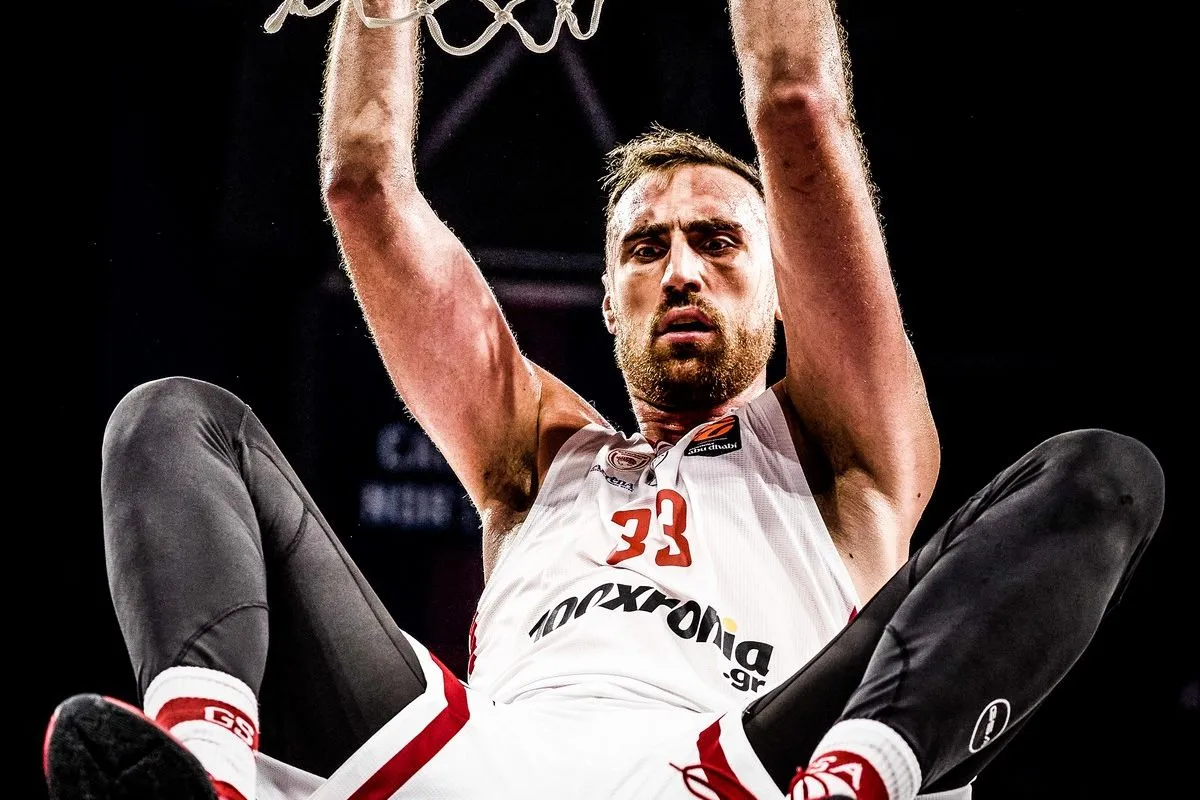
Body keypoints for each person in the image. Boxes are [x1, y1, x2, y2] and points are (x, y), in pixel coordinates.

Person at [43, 1, 1166, 799]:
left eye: (718, 241)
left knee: (1103, 474)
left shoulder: (843, 450)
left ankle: (852, 784)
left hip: (743, 758)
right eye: (646, 247)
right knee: (175, 417)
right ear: (608, 300)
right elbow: (363, 182)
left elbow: (795, 100)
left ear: (782, 288)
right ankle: (209, 772)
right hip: (482, 760)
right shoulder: (537, 454)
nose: (681, 270)